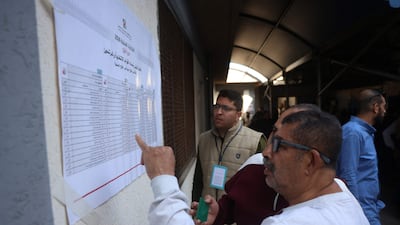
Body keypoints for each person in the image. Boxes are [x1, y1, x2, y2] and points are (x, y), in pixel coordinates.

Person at [136, 110, 369, 225]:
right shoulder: (340, 193)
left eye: (278, 144)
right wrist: (221, 214)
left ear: (310, 161)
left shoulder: (292, 222)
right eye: (271, 137)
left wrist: (163, 180)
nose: (266, 152)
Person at [207, 104, 320, 225]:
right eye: (274, 132)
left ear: (310, 160)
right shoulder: (253, 166)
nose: (266, 153)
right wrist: (217, 213)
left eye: (281, 144)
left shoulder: (331, 199)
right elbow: (230, 207)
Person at [192, 89, 267, 201]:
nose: (218, 112)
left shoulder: (255, 141)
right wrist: (197, 209)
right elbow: (198, 180)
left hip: (236, 213)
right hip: (206, 208)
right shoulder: (204, 139)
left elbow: (262, 185)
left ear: (238, 114)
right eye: (216, 107)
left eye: (225, 108)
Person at [336, 89, 386, 225]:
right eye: (383, 106)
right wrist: (356, 210)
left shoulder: (364, 132)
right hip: (362, 209)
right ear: (375, 107)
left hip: (370, 206)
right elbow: (348, 174)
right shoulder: (353, 132)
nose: (385, 111)